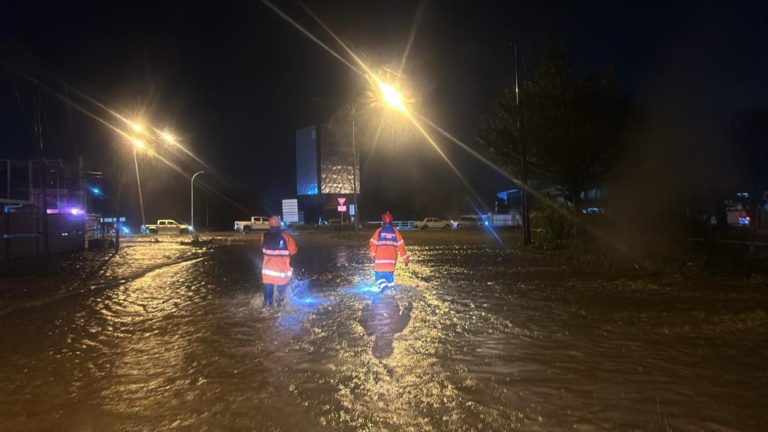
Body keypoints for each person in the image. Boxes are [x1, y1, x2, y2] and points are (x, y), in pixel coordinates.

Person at [261, 216, 298, 306]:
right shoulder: (286, 237)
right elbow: (294, 251)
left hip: (267, 272)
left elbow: (262, 248)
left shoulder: (263, 236)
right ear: (280, 225)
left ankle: (267, 310)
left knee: (268, 297)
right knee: (281, 295)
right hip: (281, 272)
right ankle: (279, 307)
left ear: (269, 225)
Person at [369, 211, 409, 292]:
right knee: (390, 286)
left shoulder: (378, 231)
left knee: (380, 283)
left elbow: (372, 245)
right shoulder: (396, 232)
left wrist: (372, 254)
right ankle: (390, 293)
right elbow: (402, 247)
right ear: (391, 222)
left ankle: (384, 288)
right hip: (391, 267)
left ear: (382, 222)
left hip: (380, 267)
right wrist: (406, 260)